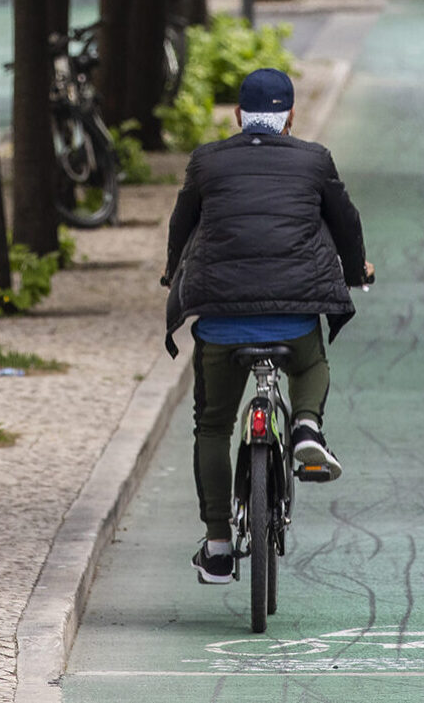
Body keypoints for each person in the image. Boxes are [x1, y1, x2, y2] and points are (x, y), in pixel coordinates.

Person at [161, 68, 372, 585]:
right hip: (293, 317)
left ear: (237, 115)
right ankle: (306, 426)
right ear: (291, 117)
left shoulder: (206, 162)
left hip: (221, 321)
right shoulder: (314, 160)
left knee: (211, 426)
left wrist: (172, 274)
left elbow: (182, 223)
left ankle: (215, 545)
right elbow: (345, 221)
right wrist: (356, 269)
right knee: (312, 361)